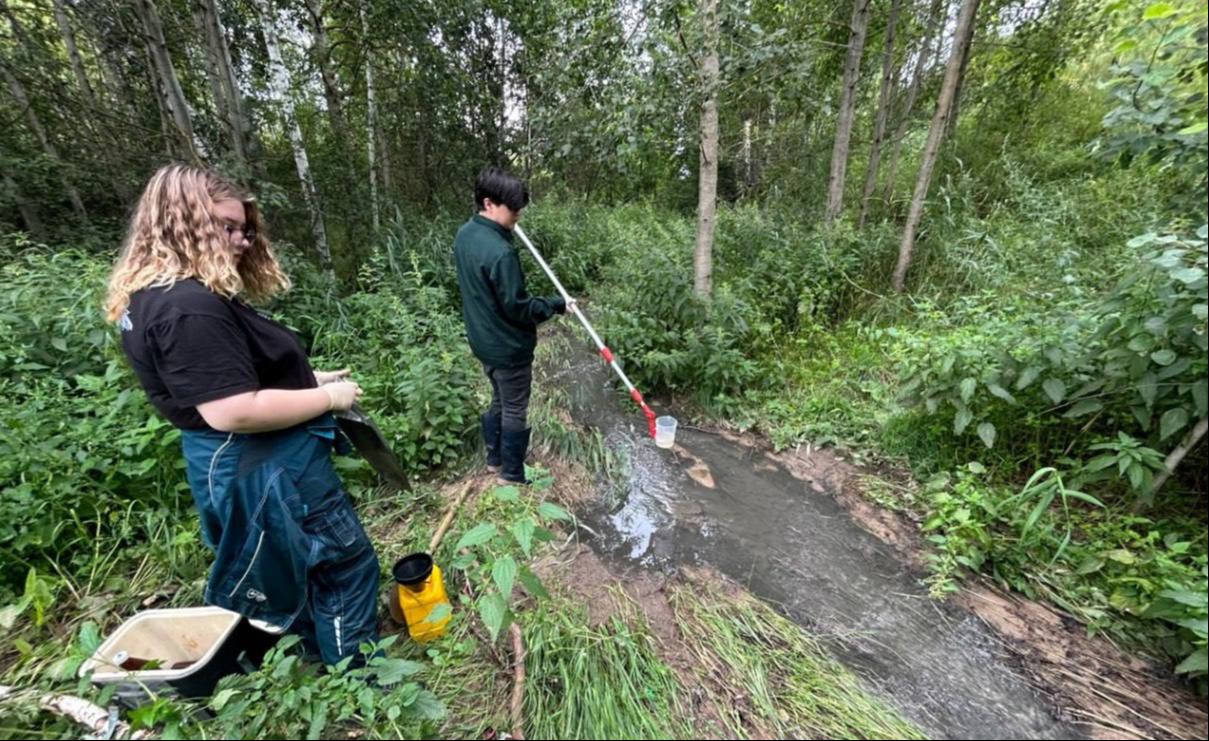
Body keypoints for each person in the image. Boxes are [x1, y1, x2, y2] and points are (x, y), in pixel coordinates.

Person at [105, 164, 380, 666]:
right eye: (226, 227)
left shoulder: (157, 297)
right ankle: (361, 677)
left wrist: (307, 378)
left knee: (288, 570)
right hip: (267, 468)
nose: (241, 241)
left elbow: (221, 378)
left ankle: (320, 660)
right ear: (181, 222)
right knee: (344, 567)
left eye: (244, 230)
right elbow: (233, 410)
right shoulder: (188, 308)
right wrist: (329, 400)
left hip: (234, 464)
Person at [454, 167, 573, 485]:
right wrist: (556, 305)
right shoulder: (500, 252)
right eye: (513, 208)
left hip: (483, 342)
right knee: (514, 408)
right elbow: (518, 307)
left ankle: (494, 459)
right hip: (507, 347)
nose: (518, 214)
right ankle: (512, 474)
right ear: (489, 203)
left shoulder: (465, 234)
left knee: (500, 398)